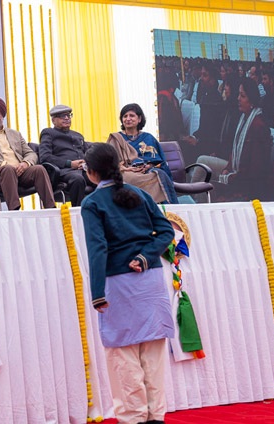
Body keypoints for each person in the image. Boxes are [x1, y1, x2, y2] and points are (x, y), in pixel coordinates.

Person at [81, 142, 175, 424]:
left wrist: (97, 293)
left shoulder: (92, 203)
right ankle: (156, 416)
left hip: (118, 284)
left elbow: (98, 249)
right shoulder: (139, 193)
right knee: (153, 358)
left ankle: (133, 418)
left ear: (92, 172)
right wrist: (146, 257)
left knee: (124, 359)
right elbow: (166, 230)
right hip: (151, 282)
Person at [198, 79, 274, 202]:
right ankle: (195, 203)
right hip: (236, 169)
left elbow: (254, 170)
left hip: (247, 183)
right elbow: (235, 151)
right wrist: (228, 168)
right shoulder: (244, 118)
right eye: (239, 95)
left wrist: (230, 177)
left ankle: (198, 206)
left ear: (251, 100)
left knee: (209, 186)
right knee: (201, 163)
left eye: (243, 96)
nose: (238, 98)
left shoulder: (258, 126)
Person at [0, 96, 55, 210]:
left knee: (39, 169)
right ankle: (14, 211)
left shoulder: (15, 134)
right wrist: (3, 164)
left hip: (20, 171)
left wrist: (26, 163)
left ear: (2, 116)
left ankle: (51, 209)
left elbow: (31, 153)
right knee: (8, 169)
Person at [108, 103, 178, 204]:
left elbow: (158, 160)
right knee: (128, 178)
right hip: (126, 171)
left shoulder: (148, 137)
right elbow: (109, 162)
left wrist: (148, 166)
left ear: (139, 119)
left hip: (147, 170)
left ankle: (167, 212)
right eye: (125, 116)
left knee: (160, 174)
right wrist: (125, 168)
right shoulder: (116, 138)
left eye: (132, 116)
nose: (128, 119)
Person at [38, 104, 95, 206]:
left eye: (68, 115)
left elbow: (88, 152)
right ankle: (78, 214)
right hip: (64, 171)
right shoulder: (48, 133)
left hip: (84, 169)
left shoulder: (78, 135)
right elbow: (45, 157)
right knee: (78, 179)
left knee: (104, 179)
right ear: (53, 120)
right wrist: (70, 163)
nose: (67, 118)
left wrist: (88, 161)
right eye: (62, 116)